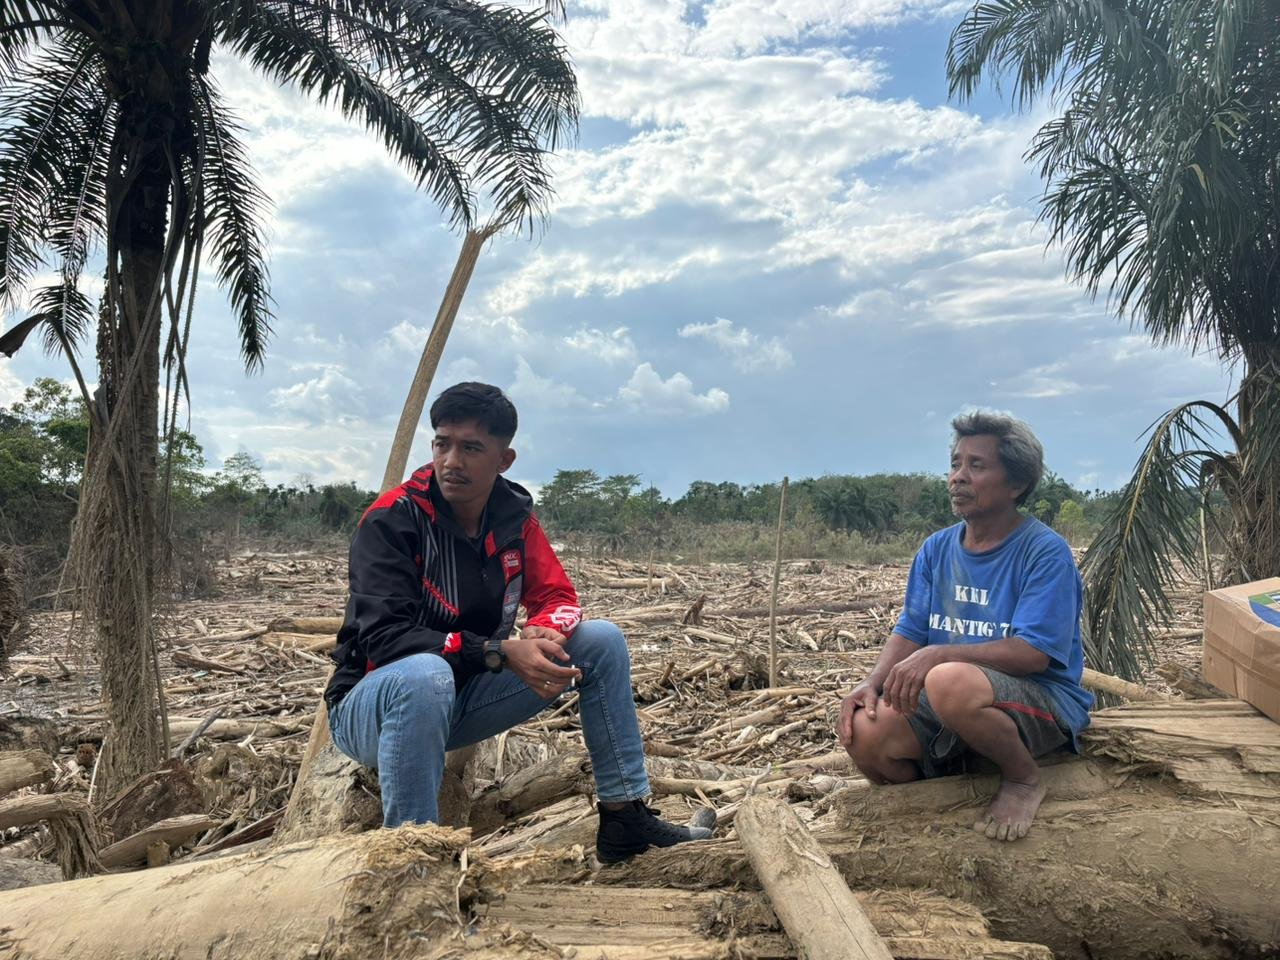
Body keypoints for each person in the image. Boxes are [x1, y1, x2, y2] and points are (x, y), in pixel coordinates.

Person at [324, 382, 709, 862]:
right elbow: (386, 639)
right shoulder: (392, 520)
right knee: (425, 674)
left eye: (471, 448)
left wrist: (547, 628)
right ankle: (411, 857)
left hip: (463, 696)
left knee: (602, 641)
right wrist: (499, 651)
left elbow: (558, 596)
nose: (451, 461)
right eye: (443, 444)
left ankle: (625, 817)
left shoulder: (512, 517)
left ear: (504, 460)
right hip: (376, 707)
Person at [835, 411, 1093, 841]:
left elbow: (1033, 654)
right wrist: (871, 683)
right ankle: (936, 804)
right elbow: (912, 628)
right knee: (863, 731)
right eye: (955, 464)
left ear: (1016, 483)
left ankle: (1023, 778)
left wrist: (940, 655)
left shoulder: (1043, 552)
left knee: (947, 679)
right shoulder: (936, 549)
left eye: (976, 465)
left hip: (1039, 699)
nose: (958, 477)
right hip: (954, 699)